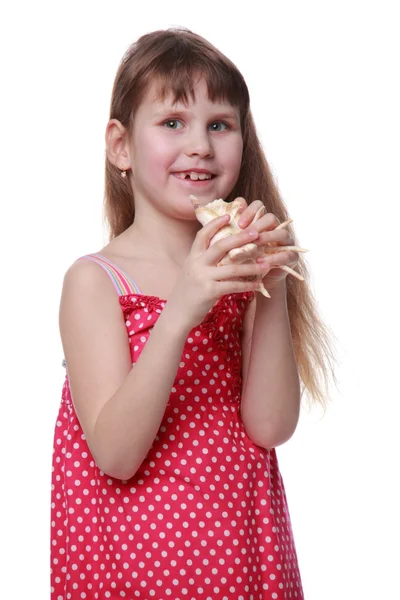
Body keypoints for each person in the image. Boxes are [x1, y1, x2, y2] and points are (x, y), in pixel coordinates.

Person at [51, 27, 336, 600]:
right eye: (173, 122)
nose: (201, 145)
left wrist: (272, 283)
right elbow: (116, 454)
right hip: (138, 565)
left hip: (244, 555)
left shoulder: (241, 271)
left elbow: (271, 427)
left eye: (220, 125)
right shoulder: (95, 282)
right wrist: (181, 308)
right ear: (121, 146)